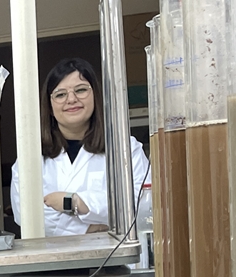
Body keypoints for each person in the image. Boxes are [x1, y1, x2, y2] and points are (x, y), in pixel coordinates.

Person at [10, 57, 150, 236]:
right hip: (55, 261)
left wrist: (76, 202)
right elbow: (27, 215)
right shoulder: (30, 158)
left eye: (81, 90)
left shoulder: (126, 148)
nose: (71, 99)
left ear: (95, 96)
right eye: (60, 94)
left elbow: (142, 204)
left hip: (115, 257)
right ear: (50, 106)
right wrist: (89, 228)